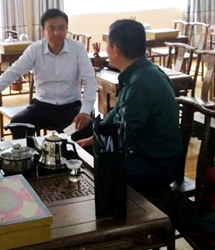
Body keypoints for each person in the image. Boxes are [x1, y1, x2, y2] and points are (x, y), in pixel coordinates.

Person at [76, 19, 182, 192]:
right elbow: (117, 113)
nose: (107, 50)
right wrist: (93, 140)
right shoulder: (139, 72)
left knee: (94, 169)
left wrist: (99, 147)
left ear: (116, 49)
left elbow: (123, 133)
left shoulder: (141, 82)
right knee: (85, 154)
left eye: (108, 45)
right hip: (146, 155)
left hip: (157, 165)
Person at [0, 9, 96, 141]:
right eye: (51, 28)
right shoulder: (35, 49)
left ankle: (71, 153)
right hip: (41, 106)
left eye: (61, 28)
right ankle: (30, 154)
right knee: (18, 125)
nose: (57, 33)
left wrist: (85, 111)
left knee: (84, 127)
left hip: (70, 106)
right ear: (43, 31)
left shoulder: (77, 49)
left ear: (67, 29)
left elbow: (89, 80)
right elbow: (14, 72)